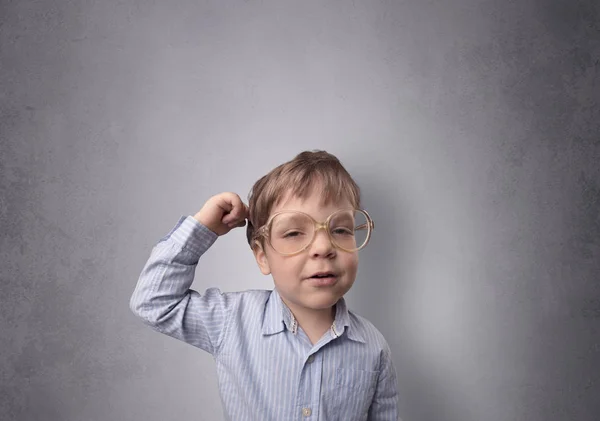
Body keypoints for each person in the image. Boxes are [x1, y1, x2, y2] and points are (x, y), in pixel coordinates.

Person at [129, 150, 399, 420]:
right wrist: (203, 227)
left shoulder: (373, 347)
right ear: (262, 256)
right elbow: (154, 302)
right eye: (293, 233)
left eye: (340, 230)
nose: (324, 247)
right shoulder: (231, 321)